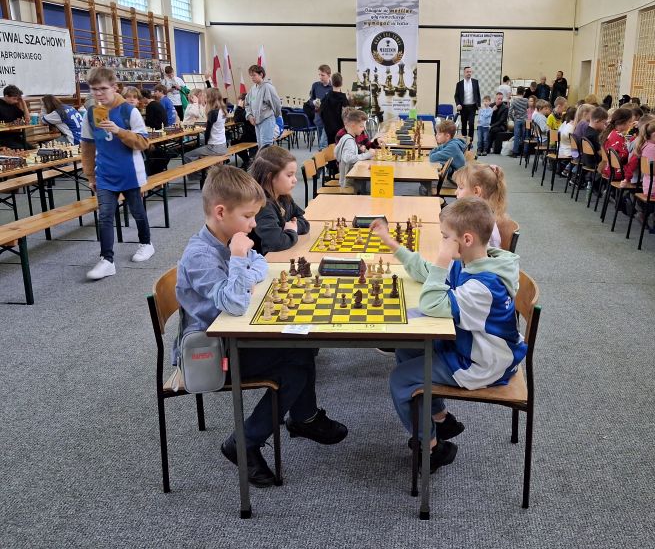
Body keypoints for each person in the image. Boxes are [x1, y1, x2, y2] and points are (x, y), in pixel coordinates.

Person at [176, 165, 347, 488]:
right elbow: (236, 302)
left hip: (236, 334)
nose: (254, 224)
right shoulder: (201, 255)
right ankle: (244, 442)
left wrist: (243, 268)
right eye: (248, 216)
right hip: (212, 353)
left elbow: (260, 265)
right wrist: (240, 262)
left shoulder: (232, 238)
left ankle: (304, 417)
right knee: (294, 367)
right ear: (221, 212)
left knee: (304, 345)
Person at [369, 197, 526, 472]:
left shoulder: (482, 287)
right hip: (474, 344)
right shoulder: (474, 262)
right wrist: (391, 243)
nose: (442, 243)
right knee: (407, 349)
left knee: (400, 380)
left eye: (445, 237)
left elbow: (432, 303)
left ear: (465, 239)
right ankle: (441, 418)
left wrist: (442, 259)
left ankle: (431, 448)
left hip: (482, 362)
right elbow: (429, 274)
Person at [79, 67, 154, 280]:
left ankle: (146, 243)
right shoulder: (90, 113)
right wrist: (90, 175)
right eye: (94, 89)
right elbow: (87, 146)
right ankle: (107, 260)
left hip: (129, 172)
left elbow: (144, 143)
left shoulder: (129, 111)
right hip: (104, 173)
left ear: (114, 87)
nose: (98, 93)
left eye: (103, 89)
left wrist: (119, 131)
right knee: (104, 216)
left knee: (137, 211)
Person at [249, 146, 310, 253]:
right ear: (270, 177)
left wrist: (292, 228)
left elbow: (304, 223)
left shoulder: (284, 197)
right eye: (289, 175)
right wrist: (290, 230)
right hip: (265, 260)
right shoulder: (263, 206)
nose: (295, 180)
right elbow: (275, 243)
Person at [452, 162, 508, 248]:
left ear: (476, 191)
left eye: (460, 188)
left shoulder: (478, 222)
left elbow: (471, 251)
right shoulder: (476, 213)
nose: (456, 192)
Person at [185, 88, 228, 162]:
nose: (203, 98)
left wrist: (206, 145)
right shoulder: (223, 110)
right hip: (223, 144)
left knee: (187, 156)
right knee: (200, 152)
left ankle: (200, 170)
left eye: (205, 97)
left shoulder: (212, 113)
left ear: (209, 98)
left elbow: (207, 132)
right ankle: (205, 167)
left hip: (214, 147)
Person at [334, 109, 374, 188]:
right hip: (348, 182)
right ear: (353, 125)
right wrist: (368, 154)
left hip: (351, 177)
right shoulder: (349, 141)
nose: (363, 129)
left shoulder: (348, 138)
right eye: (361, 126)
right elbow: (349, 159)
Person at [246, 65, 282, 150]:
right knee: (260, 146)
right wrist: (250, 116)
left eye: (254, 75)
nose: (252, 78)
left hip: (267, 120)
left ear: (261, 74)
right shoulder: (253, 89)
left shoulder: (268, 87)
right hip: (256, 122)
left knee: (266, 146)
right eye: (251, 76)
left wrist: (276, 116)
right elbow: (247, 104)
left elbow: (276, 103)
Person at [600, 107, 633, 180]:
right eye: (629, 122)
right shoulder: (618, 136)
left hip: (608, 168)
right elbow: (621, 157)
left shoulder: (611, 132)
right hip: (616, 171)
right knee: (637, 172)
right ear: (623, 122)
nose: (630, 124)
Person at [320, 72, 349, 146]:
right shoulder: (344, 99)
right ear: (341, 83)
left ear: (331, 83)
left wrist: (326, 124)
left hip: (329, 128)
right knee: (341, 147)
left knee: (331, 147)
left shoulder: (326, 97)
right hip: (341, 129)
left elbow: (321, 113)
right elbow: (347, 115)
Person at [309, 64, 333, 149]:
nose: (320, 77)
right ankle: (323, 156)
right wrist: (313, 102)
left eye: (322, 75)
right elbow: (310, 101)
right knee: (321, 142)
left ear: (329, 75)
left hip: (329, 119)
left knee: (323, 144)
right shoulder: (315, 85)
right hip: (318, 118)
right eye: (319, 75)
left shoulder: (333, 87)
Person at [454, 66, 481, 140]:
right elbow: (456, 96)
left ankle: (470, 140)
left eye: (470, 72)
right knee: (464, 124)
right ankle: (464, 140)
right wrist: (458, 104)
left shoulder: (475, 82)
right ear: (464, 73)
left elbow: (478, 94)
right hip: (463, 107)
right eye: (467, 72)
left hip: (472, 107)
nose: (469, 73)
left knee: (471, 123)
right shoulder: (459, 84)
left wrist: (479, 105)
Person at [509, 87, 528, 157]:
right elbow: (528, 109)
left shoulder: (514, 101)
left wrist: (513, 119)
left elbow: (509, 112)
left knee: (516, 136)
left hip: (517, 120)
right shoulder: (526, 100)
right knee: (525, 136)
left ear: (517, 92)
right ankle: (524, 152)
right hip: (525, 120)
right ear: (524, 93)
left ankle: (515, 153)